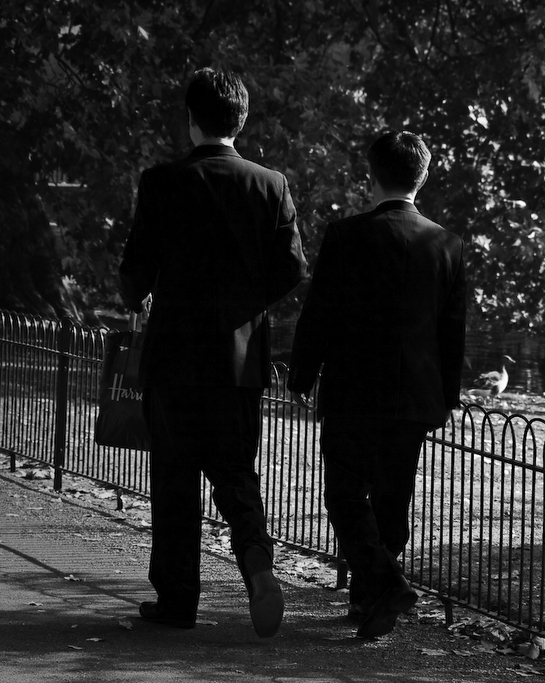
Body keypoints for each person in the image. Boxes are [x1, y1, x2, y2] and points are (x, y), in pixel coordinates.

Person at [119, 67, 307, 638]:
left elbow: (135, 273)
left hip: (174, 357)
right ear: (240, 119)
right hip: (239, 359)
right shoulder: (270, 184)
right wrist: (248, 306)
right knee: (234, 472)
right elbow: (294, 268)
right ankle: (255, 560)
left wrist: (139, 294)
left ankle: (177, 601)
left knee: (174, 479)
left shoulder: (160, 182)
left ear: (191, 118)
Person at [287, 130, 466, 639]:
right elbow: (452, 332)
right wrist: (446, 396)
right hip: (414, 395)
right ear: (423, 177)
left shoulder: (345, 236)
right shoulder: (447, 244)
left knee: (344, 494)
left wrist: (302, 376)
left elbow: (318, 314)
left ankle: (382, 587)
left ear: (372, 175)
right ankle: (370, 598)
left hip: (353, 390)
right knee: (393, 497)